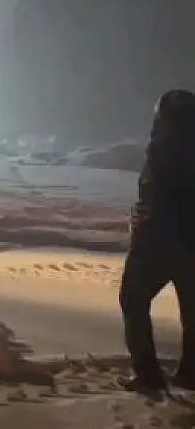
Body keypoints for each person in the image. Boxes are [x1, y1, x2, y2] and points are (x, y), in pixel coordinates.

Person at [119, 89, 195, 398]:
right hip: (187, 243)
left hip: (160, 243)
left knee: (132, 300)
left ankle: (149, 375)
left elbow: (160, 196)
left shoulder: (166, 147)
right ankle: (191, 374)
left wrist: (146, 217)